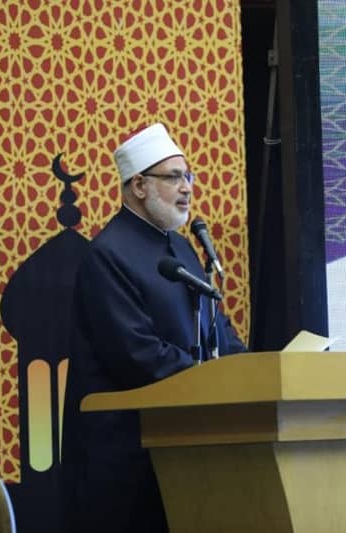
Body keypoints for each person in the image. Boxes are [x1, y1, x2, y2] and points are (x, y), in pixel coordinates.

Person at [61, 122, 248, 532]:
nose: (187, 188)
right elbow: (138, 356)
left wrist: (250, 371)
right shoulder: (107, 255)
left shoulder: (179, 246)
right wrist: (211, 377)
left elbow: (215, 327)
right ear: (139, 185)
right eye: (174, 177)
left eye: (188, 176)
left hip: (180, 449)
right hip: (125, 460)